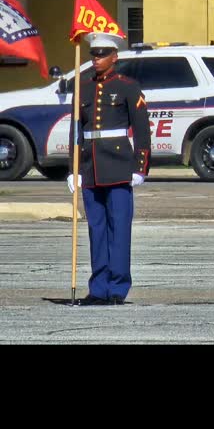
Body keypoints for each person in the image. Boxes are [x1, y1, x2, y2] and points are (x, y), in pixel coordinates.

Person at [67, 32, 151, 306]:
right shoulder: (83, 87)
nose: (97, 59)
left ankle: (117, 287)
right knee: (97, 229)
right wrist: (74, 167)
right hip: (91, 166)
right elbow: (76, 130)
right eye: (94, 54)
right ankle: (98, 288)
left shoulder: (128, 86)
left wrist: (141, 167)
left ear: (115, 57)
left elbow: (141, 129)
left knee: (119, 230)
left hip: (117, 165)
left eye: (103, 54)